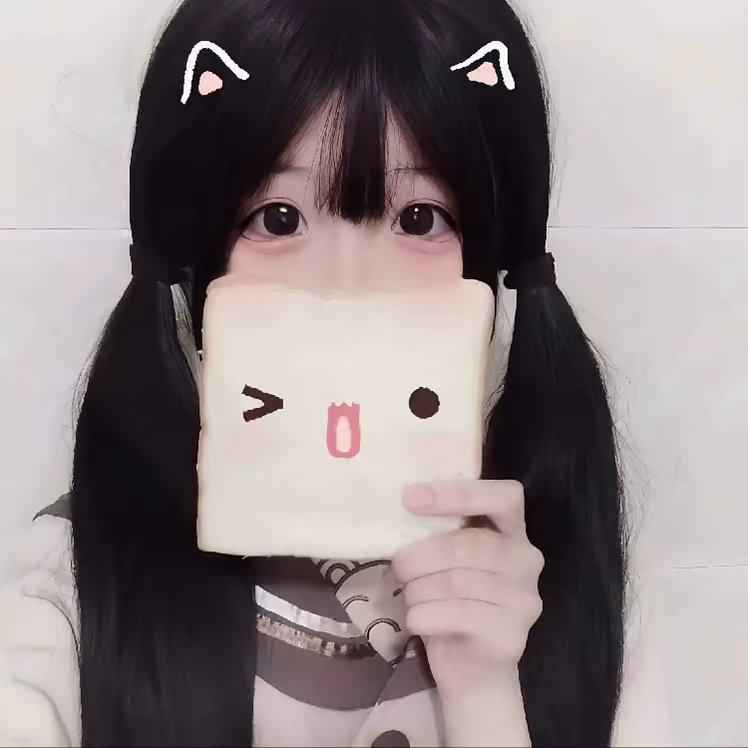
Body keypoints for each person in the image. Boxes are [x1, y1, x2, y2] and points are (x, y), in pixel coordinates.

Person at [0, 0, 674, 745]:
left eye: (419, 218)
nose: (348, 284)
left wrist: (486, 693)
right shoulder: (72, 585)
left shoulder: (577, 580)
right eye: (278, 218)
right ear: (199, 262)